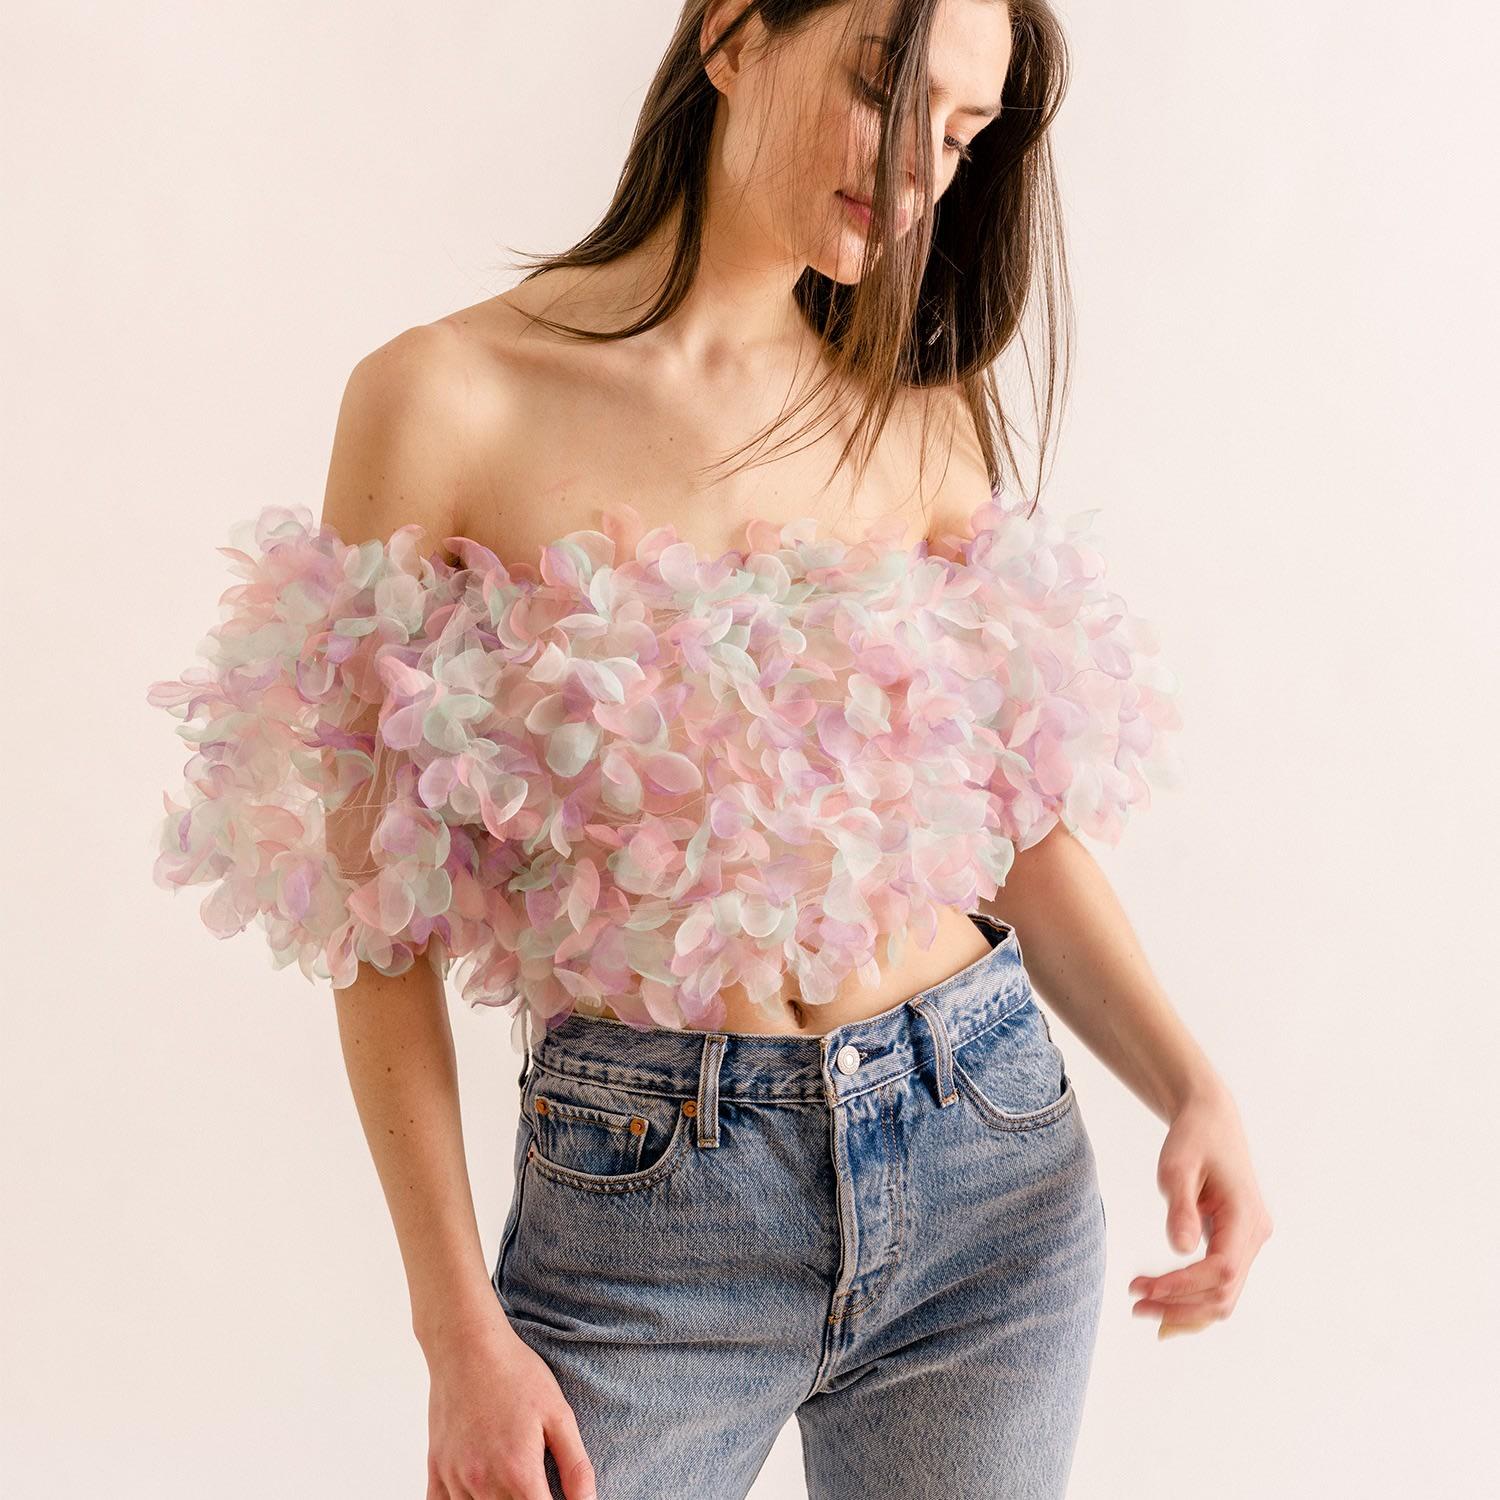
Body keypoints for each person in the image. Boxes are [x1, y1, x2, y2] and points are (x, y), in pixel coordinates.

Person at [147, 1, 1273, 1496]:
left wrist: (1190, 1083)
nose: (921, 168)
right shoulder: (443, 399)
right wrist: (457, 1333)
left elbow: (1009, 827)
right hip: (646, 1210)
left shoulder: (918, 410)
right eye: (886, 89)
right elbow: (374, 924)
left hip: (987, 1167)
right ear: (733, 35)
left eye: (962, 135)